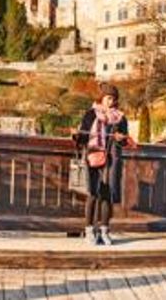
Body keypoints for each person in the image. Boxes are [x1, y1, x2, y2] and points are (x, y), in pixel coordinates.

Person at [73, 82, 130, 246]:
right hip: (93, 156)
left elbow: (125, 140)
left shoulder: (120, 117)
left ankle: (104, 230)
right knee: (93, 193)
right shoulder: (91, 114)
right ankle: (89, 229)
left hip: (111, 159)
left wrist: (121, 139)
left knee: (107, 195)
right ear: (102, 98)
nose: (110, 102)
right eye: (108, 98)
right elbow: (83, 137)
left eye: (113, 99)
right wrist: (77, 136)